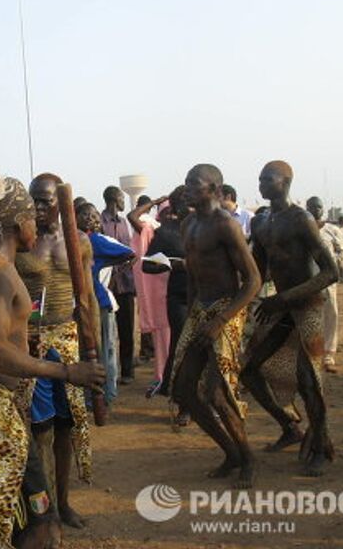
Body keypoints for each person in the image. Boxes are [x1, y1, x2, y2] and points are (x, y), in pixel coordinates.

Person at [0, 177, 105, 549]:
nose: (37, 223)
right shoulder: (0, 271)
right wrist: (65, 371)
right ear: (18, 223)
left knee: (4, 518)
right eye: (32, 216)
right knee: (40, 524)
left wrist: (15, 335)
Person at [242, 161, 338, 478]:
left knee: (311, 381)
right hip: (280, 305)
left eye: (267, 179)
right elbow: (257, 269)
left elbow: (330, 271)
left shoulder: (301, 219)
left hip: (307, 304)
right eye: (259, 179)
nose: (261, 184)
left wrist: (283, 298)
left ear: (286, 182)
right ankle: (289, 426)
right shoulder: (262, 221)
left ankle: (322, 446)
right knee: (250, 369)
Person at [16, 173, 100, 529]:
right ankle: (44, 507)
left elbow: (88, 297)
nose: (38, 207)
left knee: (67, 426)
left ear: (61, 202)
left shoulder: (78, 240)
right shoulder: (23, 245)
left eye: (45, 200)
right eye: (33, 200)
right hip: (32, 340)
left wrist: (93, 344)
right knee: (40, 429)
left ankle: (63, 502)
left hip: (68, 338)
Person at [170, 165, 261, 489]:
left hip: (227, 309)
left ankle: (247, 458)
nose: (187, 188)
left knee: (218, 393)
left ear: (214, 189)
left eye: (194, 184)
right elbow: (194, 276)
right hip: (200, 311)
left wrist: (221, 320)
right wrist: (194, 318)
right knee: (183, 388)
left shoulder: (226, 225)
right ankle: (231, 452)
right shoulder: (188, 224)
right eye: (186, 182)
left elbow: (252, 281)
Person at [77, 202, 134, 405]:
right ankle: (92, 396)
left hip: (99, 302)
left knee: (103, 350)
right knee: (88, 351)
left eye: (91, 215)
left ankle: (106, 394)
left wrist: (104, 264)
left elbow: (129, 253)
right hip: (81, 303)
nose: (88, 218)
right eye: (83, 214)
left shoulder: (96, 240)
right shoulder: (72, 241)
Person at [144, 186, 191, 404]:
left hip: (208, 295)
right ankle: (181, 400)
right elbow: (148, 265)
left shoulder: (210, 226)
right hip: (180, 297)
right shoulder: (167, 231)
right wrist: (173, 264)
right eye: (183, 204)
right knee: (181, 344)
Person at [128, 195, 172, 390]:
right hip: (158, 291)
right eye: (165, 212)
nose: (170, 216)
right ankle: (163, 375)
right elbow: (132, 216)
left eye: (172, 211)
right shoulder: (152, 230)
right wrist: (154, 202)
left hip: (176, 290)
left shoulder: (185, 231)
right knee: (162, 336)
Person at [100, 185, 136, 384]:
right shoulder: (99, 221)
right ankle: (107, 372)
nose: (124, 202)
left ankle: (128, 371)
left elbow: (128, 250)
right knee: (107, 331)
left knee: (127, 329)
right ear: (114, 199)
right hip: (107, 285)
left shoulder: (123, 223)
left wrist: (131, 260)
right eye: (122, 198)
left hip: (125, 283)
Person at [306, 197, 342, 373]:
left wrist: (337, 261)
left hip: (327, 279)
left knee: (331, 313)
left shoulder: (331, 230)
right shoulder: (302, 230)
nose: (316, 210)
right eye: (313, 207)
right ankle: (312, 353)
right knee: (310, 315)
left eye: (319, 207)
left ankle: (328, 353)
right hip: (308, 279)